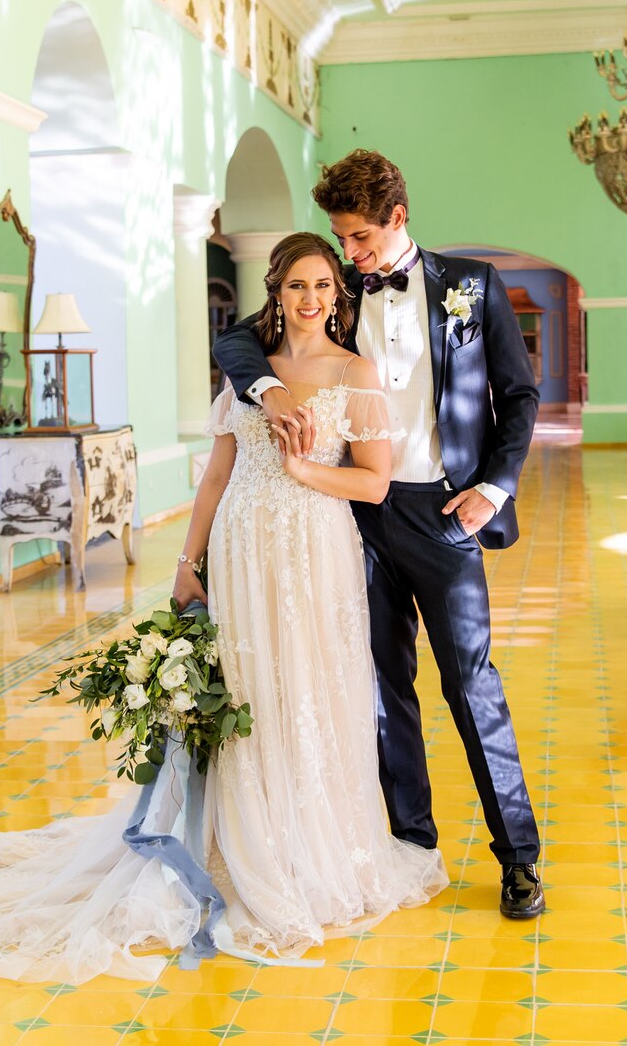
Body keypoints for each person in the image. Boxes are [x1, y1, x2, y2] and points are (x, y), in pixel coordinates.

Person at [0, 233, 445, 983]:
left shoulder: (357, 373)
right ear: (275, 293)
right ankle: (235, 850)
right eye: (297, 286)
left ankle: (313, 851)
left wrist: (306, 467)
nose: (311, 299)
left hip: (314, 553)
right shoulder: (251, 372)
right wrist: (186, 562)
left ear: (338, 295)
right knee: (247, 693)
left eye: (323, 286)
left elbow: (373, 484)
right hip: (241, 551)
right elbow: (215, 477)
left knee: (308, 690)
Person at [212, 149, 545, 919]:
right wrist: (264, 387)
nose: (350, 256)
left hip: (443, 509)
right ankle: (410, 840)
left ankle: (518, 857)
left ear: (397, 218)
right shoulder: (330, 295)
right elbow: (236, 342)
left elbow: (520, 393)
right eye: (340, 240)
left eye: (358, 239)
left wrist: (492, 489)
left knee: (470, 685)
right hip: (351, 517)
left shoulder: (472, 286)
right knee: (382, 689)